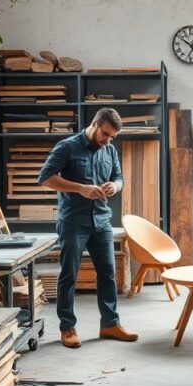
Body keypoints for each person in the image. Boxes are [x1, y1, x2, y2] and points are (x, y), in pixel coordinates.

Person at [38, 107, 138, 348]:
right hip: (73, 221)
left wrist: (115, 186)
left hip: (102, 221)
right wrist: (81, 188)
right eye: (105, 134)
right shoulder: (67, 147)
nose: (108, 140)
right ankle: (67, 328)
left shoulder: (110, 150)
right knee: (69, 275)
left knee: (107, 274)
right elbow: (45, 178)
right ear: (94, 124)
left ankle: (110, 324)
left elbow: (119, 177)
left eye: (113, 137)